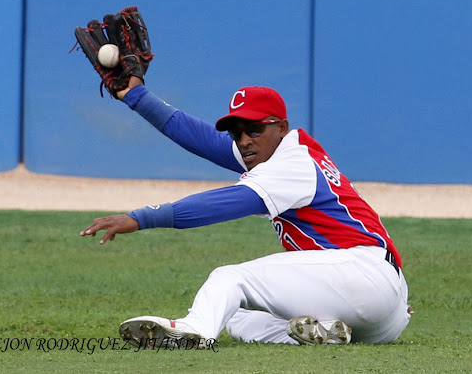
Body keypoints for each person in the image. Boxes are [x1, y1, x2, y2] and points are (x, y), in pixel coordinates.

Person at [80, 76, 412, 346]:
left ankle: (194, 330)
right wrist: (136, 94)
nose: (244, 140)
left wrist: (140, 218)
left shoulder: (290, 165)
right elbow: (197, 136)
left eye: (254, 129)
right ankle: (325, 333)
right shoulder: (288, 149)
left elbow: (222, 204)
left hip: (363, 276)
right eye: (237, 132)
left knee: (230, 278)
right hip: (383, 311)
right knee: (235, 315)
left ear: (280, 127)